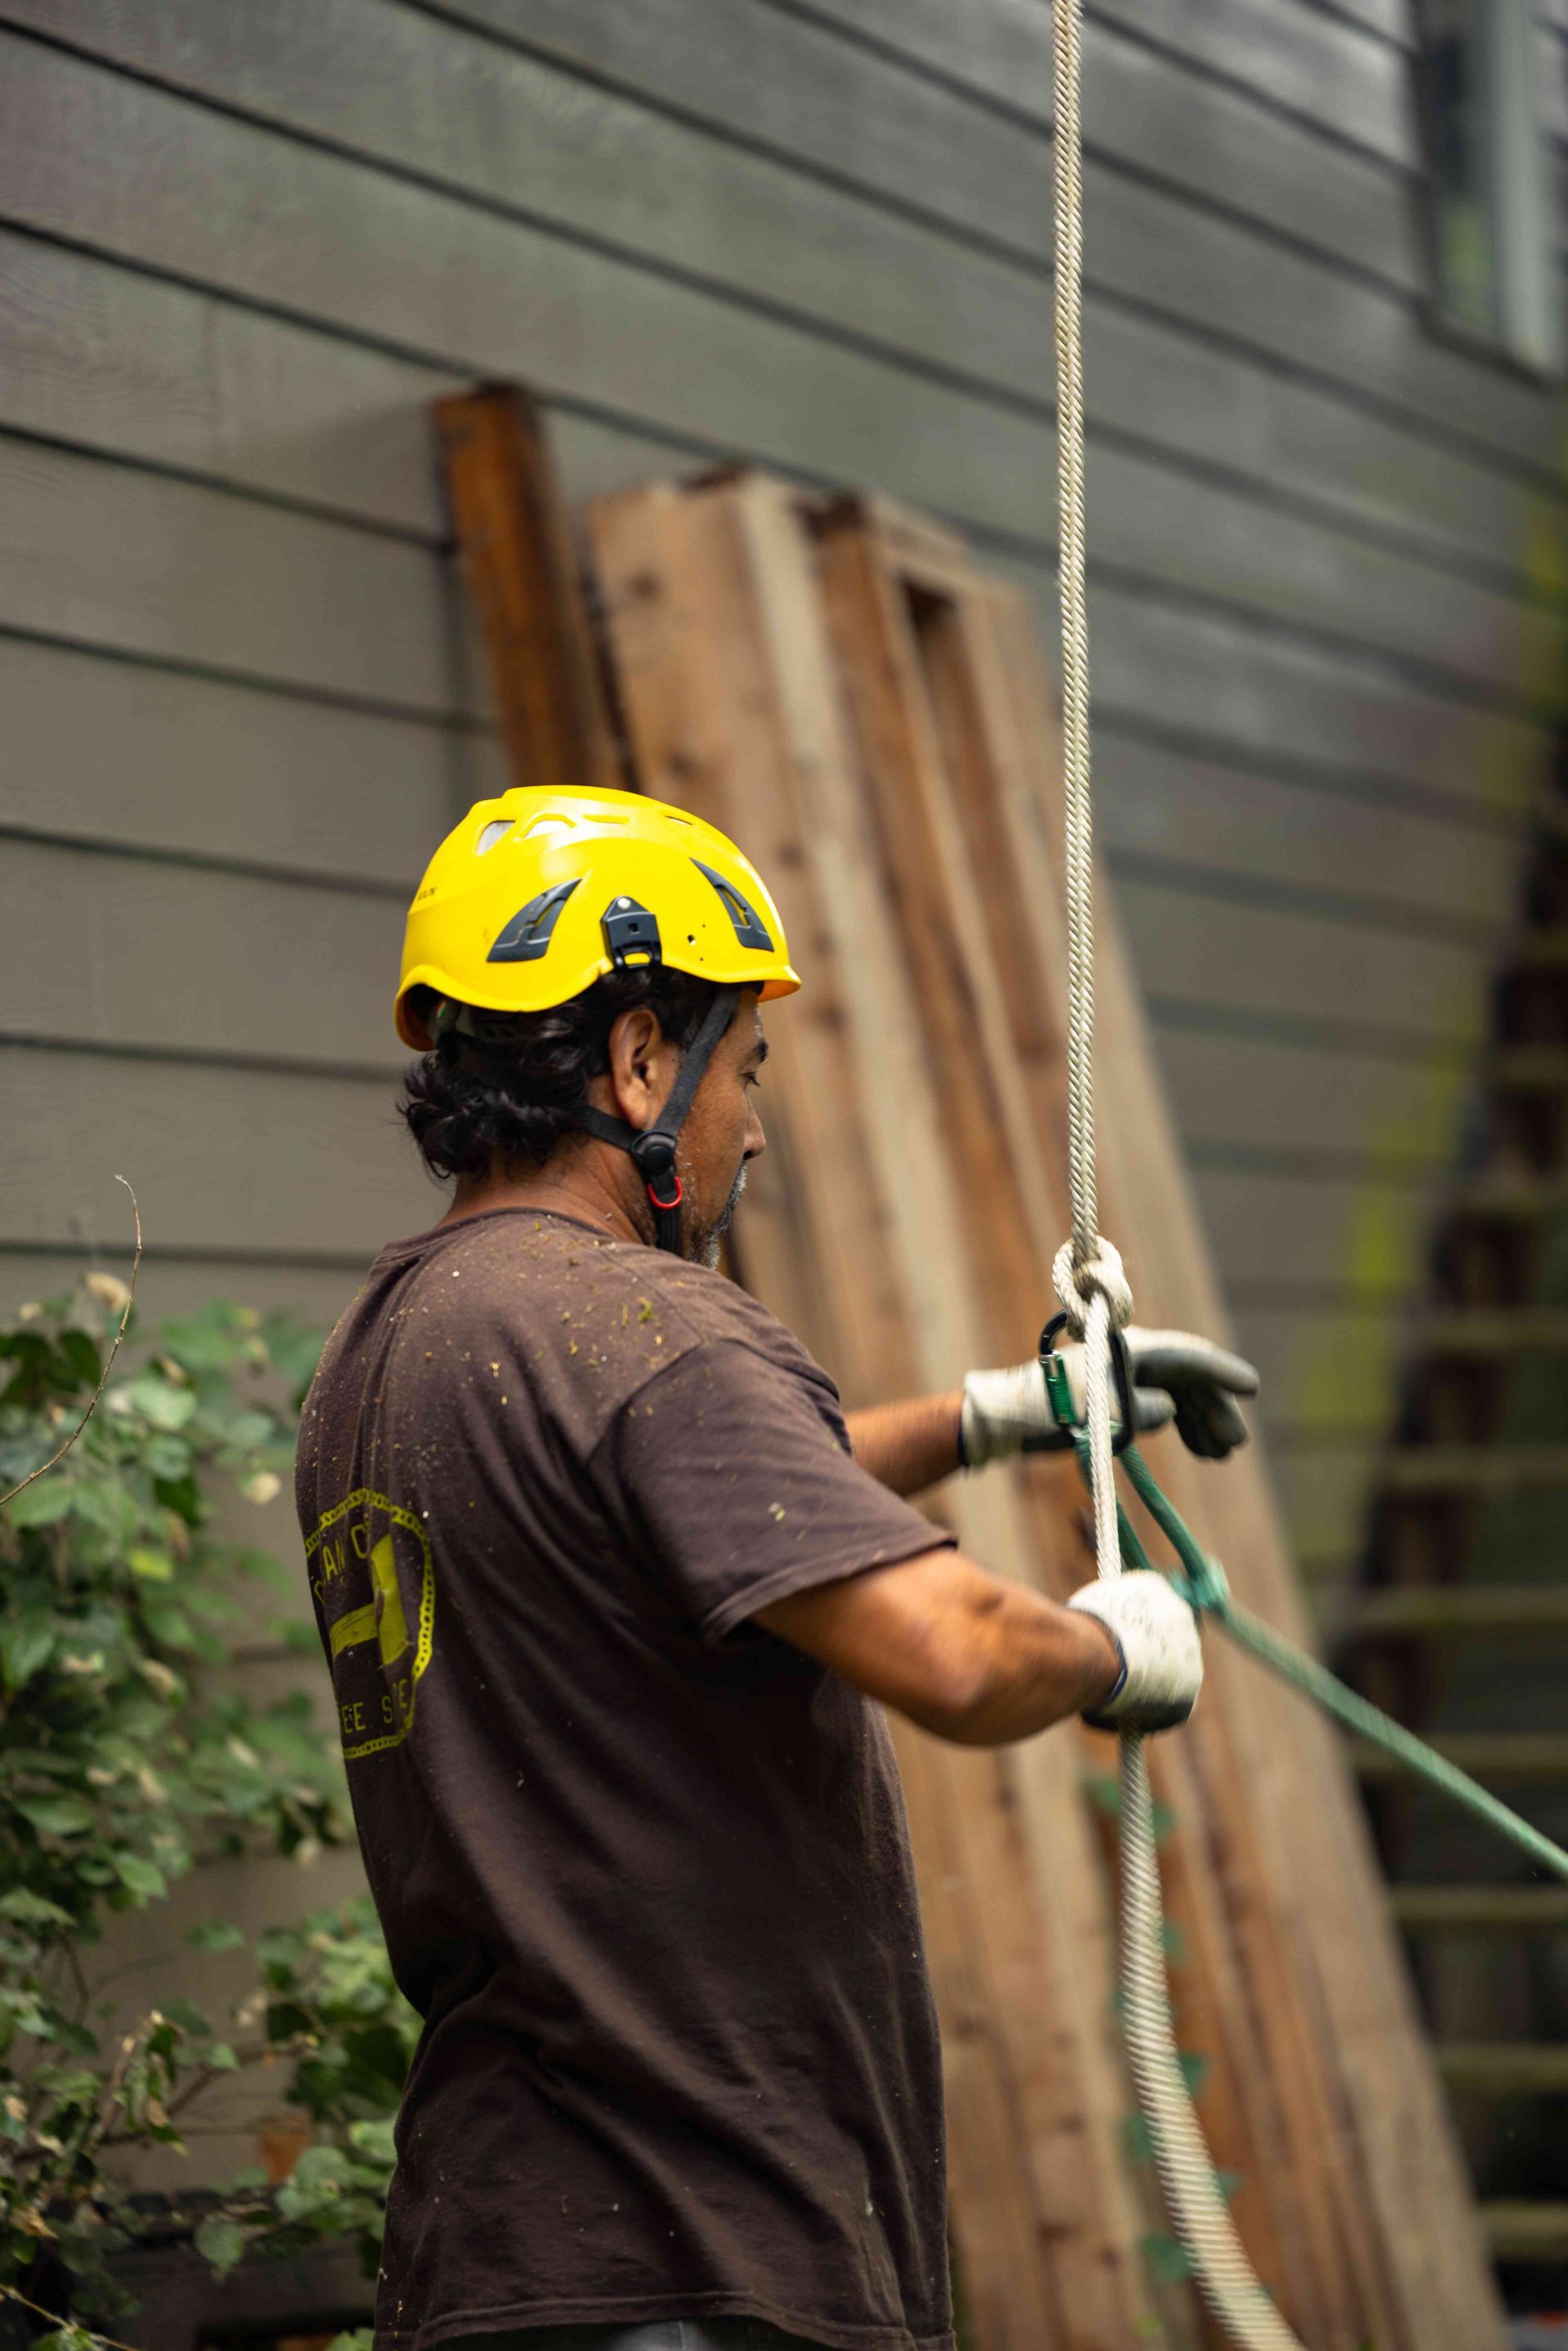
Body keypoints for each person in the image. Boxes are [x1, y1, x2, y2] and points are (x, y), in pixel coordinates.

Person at [296, 786, 1258, 2351]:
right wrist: (1115, 1644)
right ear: (635, 1060)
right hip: (707, 2258)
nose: (758, 1121)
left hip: (496, 2263)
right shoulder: (648, 1327)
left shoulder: (384, 1357)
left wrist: (994, 1416)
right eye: (744, 1064)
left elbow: (662, 1503)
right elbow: (951, 1651)